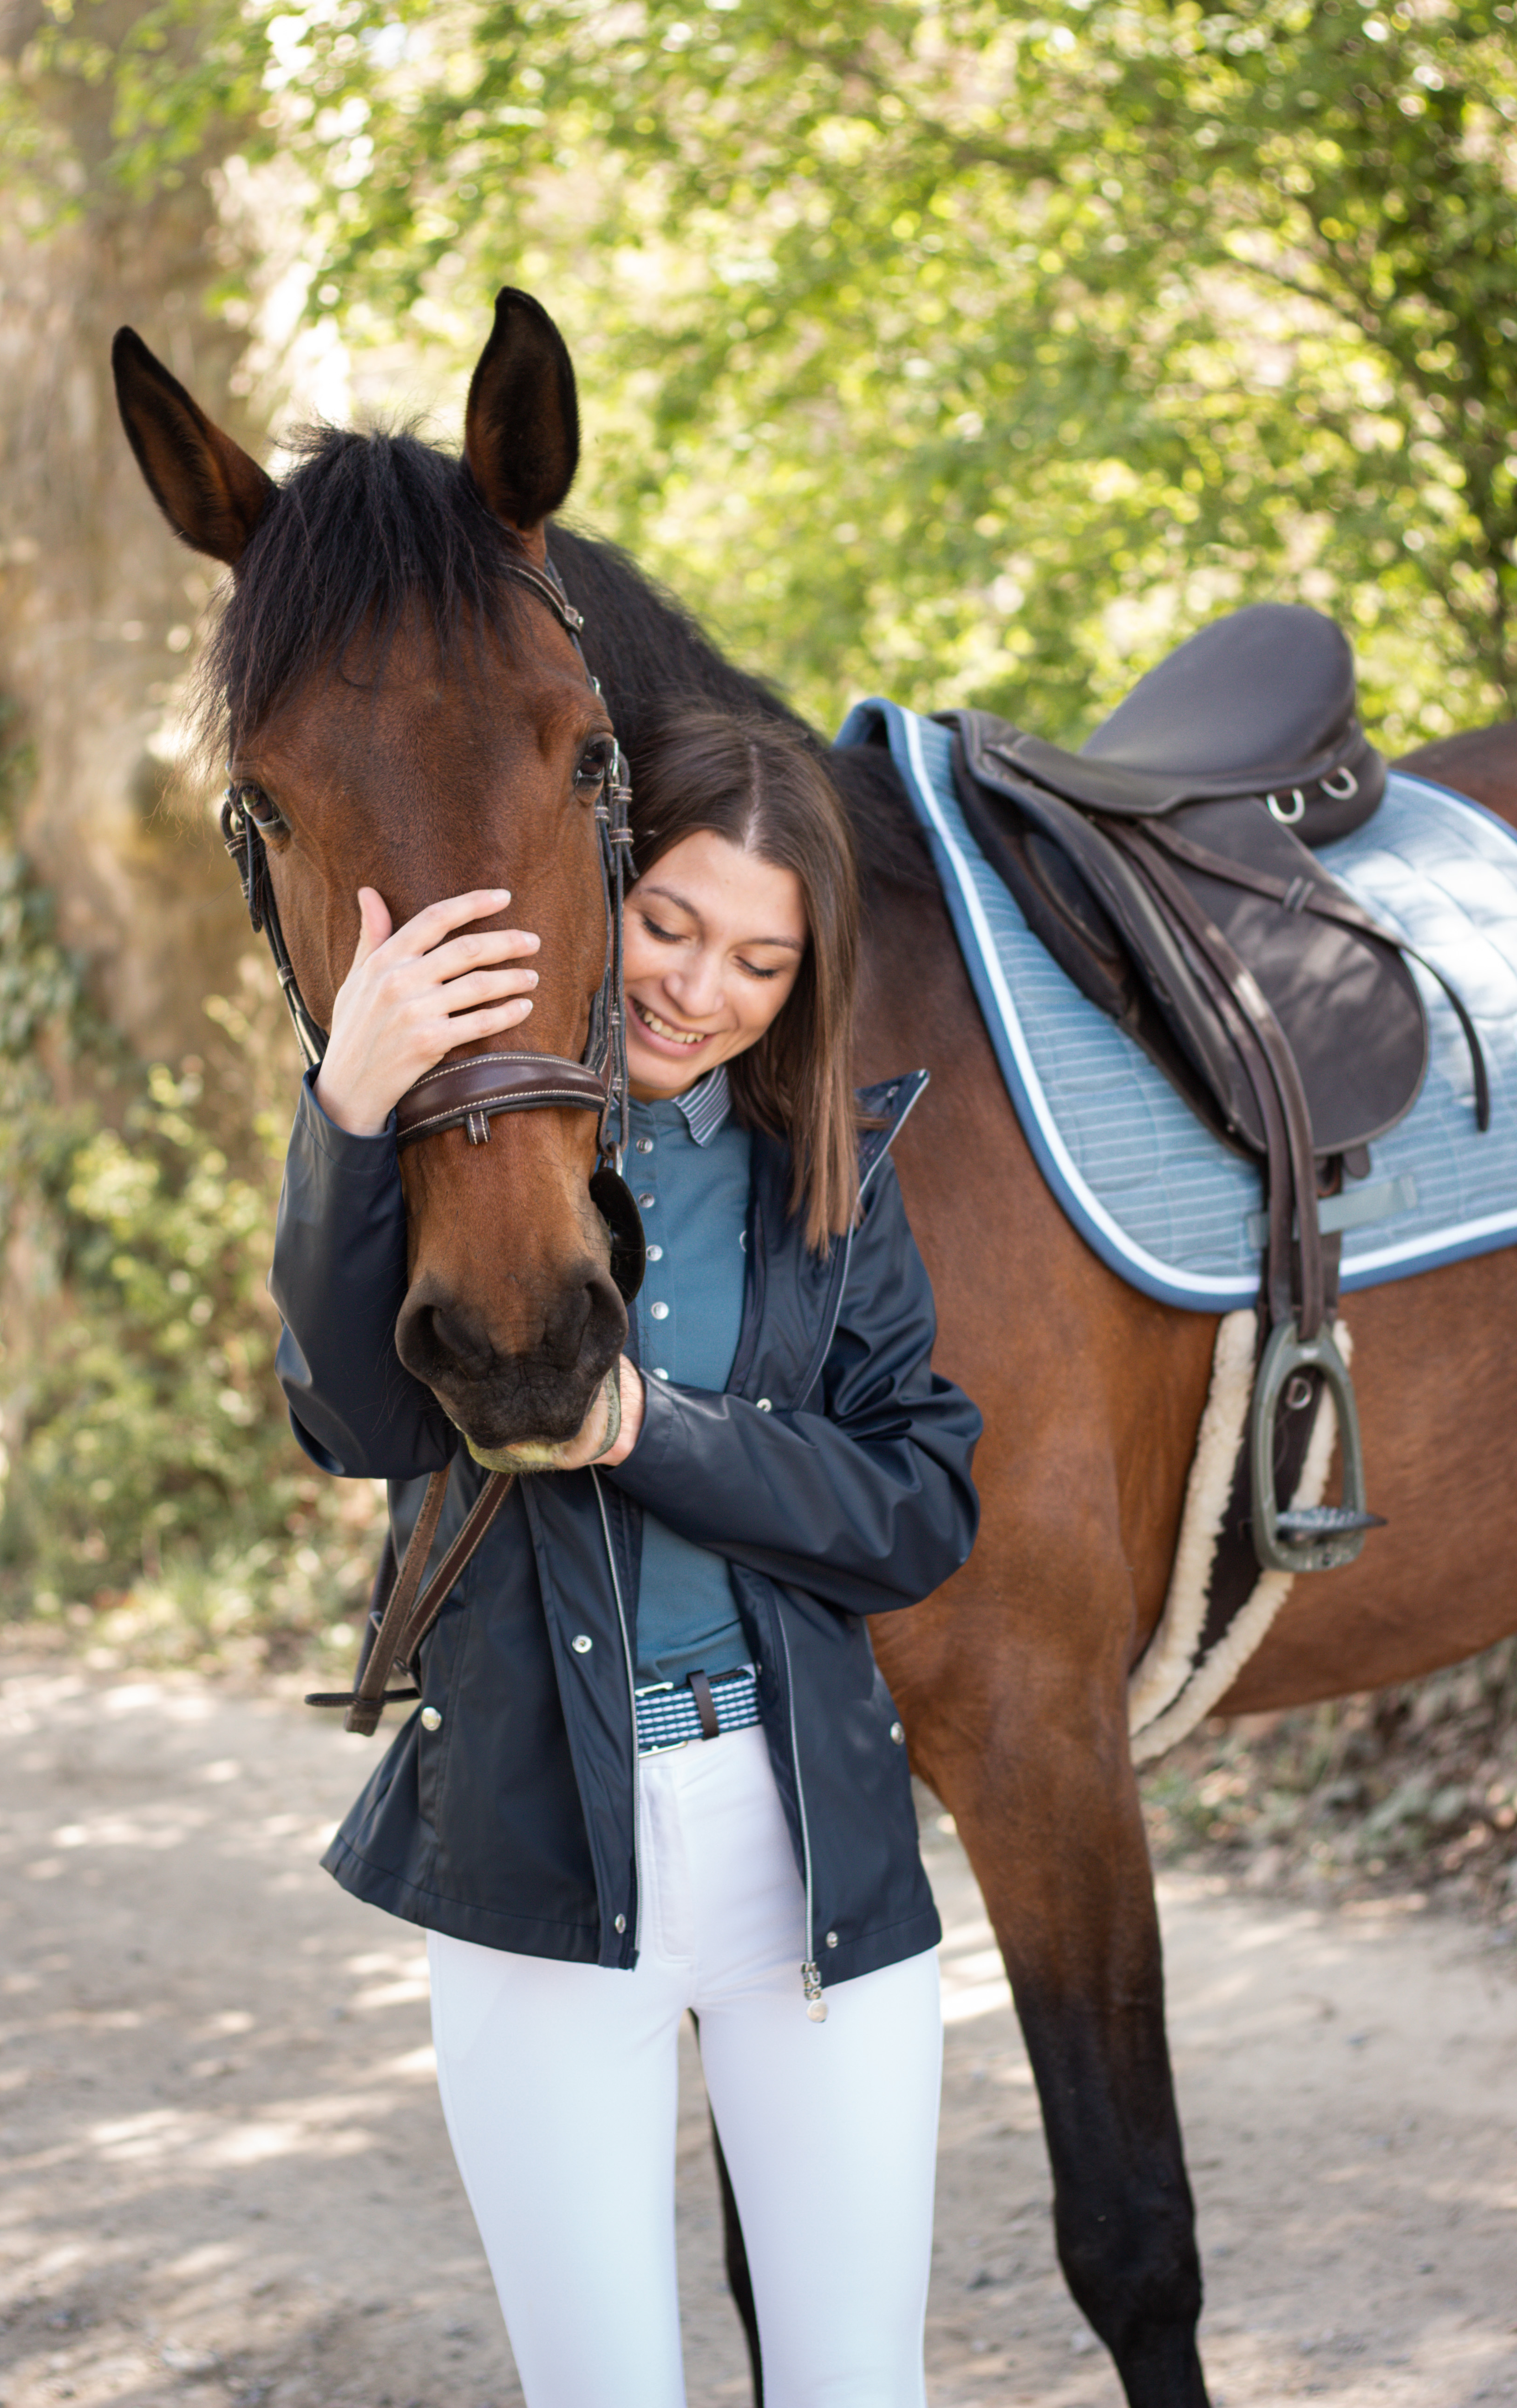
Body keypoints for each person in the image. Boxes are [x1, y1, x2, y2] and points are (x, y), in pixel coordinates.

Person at [268, 706, 983, 2408]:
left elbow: (918, 1510)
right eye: (668, 922)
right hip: (532, 1862)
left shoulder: (832, 1177)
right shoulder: (467, 1156)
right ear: (599, 890)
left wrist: (658, 1432)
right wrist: (348, 1111)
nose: (695, 987)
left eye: (758, 956)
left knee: (853, 2387)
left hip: (810, 1854)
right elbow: (353, 1424)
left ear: (802, 978)